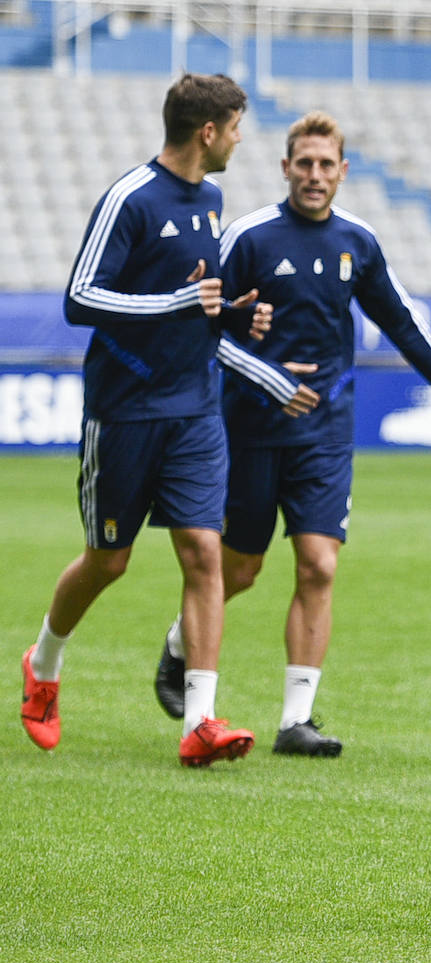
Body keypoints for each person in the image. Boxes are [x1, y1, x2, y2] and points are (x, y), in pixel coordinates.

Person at [152, 110, 431, 758]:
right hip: (247, 430)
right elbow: (204, 326)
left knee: (320, 564)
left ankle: (295, 720)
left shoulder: (358, 241)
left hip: (326, 432)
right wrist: (264, 367)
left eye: (326, 164)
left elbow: (404, 323)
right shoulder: (248, 237)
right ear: (285, 167)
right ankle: (176, 645)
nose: (314, 174)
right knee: (239, 568)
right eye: (304, 163)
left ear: (343, 172)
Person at [18, 73, 288, 767]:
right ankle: (43, 664)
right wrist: (178, 301)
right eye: (234, 128)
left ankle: (199, 720)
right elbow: (81, 297)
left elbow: (193, 301)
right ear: (207, 131)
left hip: (195, 409)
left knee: (203, 551)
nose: (237, 139)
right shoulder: (129, 198)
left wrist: (231, 313)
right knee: (109, 559)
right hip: (125, 411)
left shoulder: (212, 198)